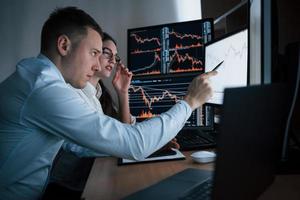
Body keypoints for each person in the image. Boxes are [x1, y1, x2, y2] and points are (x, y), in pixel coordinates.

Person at [0, 6, 216, 200]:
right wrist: (190, 101)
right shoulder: (44, 89)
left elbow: (86, 144)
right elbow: (134, 144)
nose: (97, 65)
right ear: (64, 45)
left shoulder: (37, 77)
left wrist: (153, 140)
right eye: (95, 53)